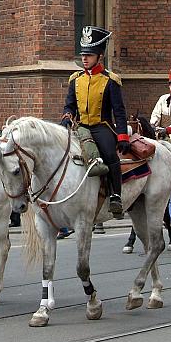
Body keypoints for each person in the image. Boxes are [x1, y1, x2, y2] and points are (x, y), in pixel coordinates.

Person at [61, 26, 130, 217]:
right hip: (81, 126)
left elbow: (119, 111)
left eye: (89, 55)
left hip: (102, 127)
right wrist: (67, 117)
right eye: (83, 54)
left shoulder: (110, 80)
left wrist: (122, 135)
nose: (84, 58)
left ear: (100, 56)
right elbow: (69, 106)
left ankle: (116, 195)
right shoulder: (75, 79)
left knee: (110, 156)